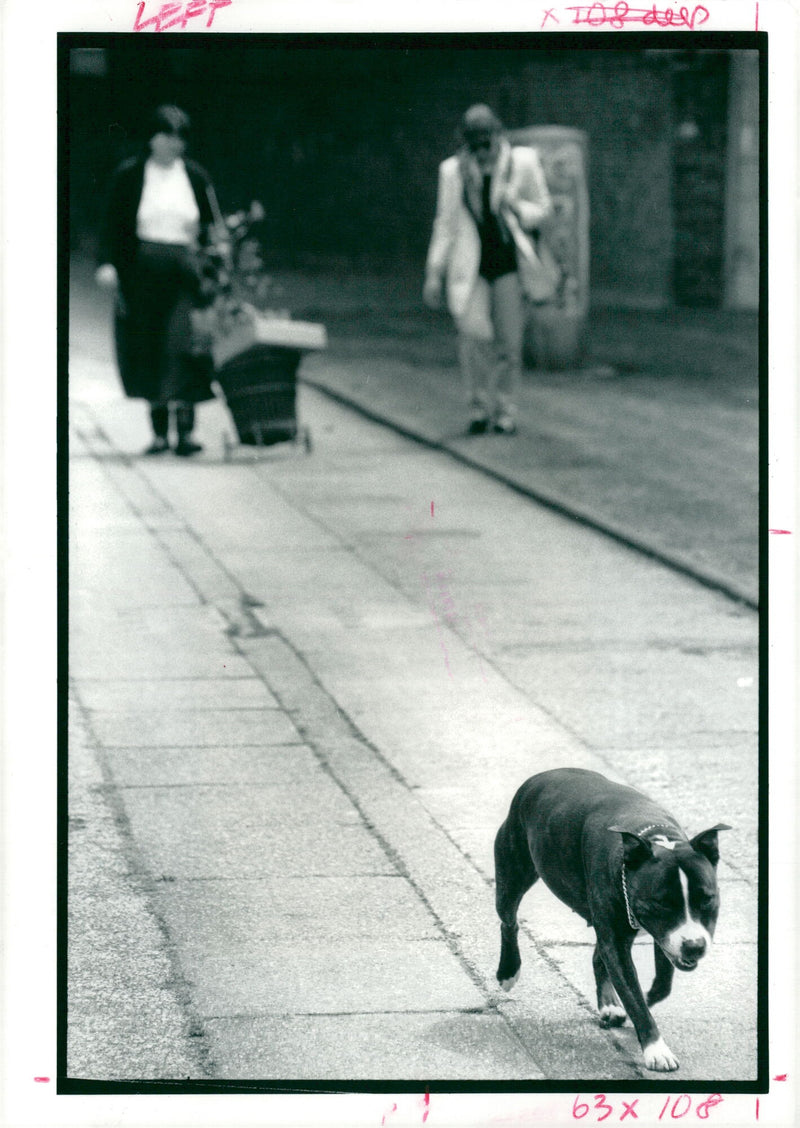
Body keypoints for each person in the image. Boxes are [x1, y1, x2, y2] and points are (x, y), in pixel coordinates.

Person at [95, 104, 224, 456]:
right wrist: (107, 264)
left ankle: (186, 432)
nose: (174, 143)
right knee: (148, 344)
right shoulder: (130, 175)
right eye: (167, 135)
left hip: (187, 272)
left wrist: (217, 261)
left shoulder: (195, 176)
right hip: (143, 272)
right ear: (151, 138)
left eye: (180, 137)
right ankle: (159, 433)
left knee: (184, 344)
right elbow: (111, 224)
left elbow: (214, 226)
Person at [423, 104, 553, 435]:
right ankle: (478, 409)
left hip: (508, 263)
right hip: (471, 266)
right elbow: (445, 224)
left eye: (487, 143)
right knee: (473, 336)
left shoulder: (521, 163)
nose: (482, 152)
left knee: (509, 343)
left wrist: (516, 205)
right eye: (475, 145)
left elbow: (543, 209)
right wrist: (434, 272)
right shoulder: (452, 172)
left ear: (498, 136)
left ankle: (506, 411)